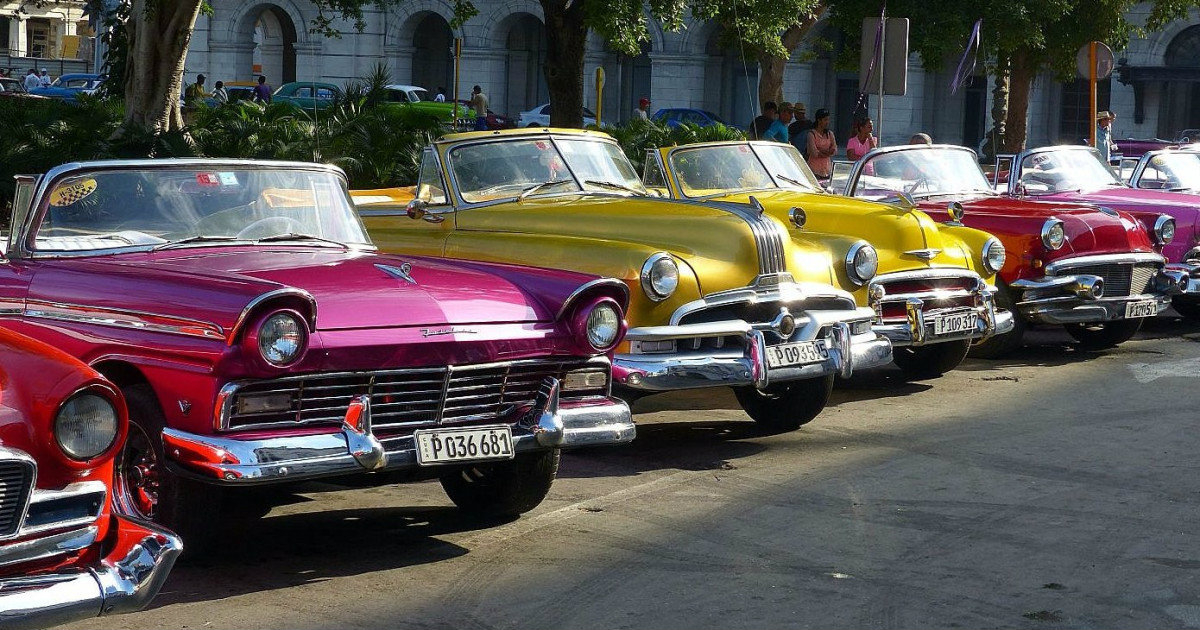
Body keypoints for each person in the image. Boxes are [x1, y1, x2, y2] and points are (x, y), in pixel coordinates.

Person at [806, 108, 838, 180]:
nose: (827, 122)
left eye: (828, 120)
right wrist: (827, 151)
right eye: (825, 120)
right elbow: (814, 153)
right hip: (814, 171)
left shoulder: (830, 134)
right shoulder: (811, 134)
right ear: (819, 120)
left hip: (826, 170)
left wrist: (821, 151)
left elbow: (834, 150)